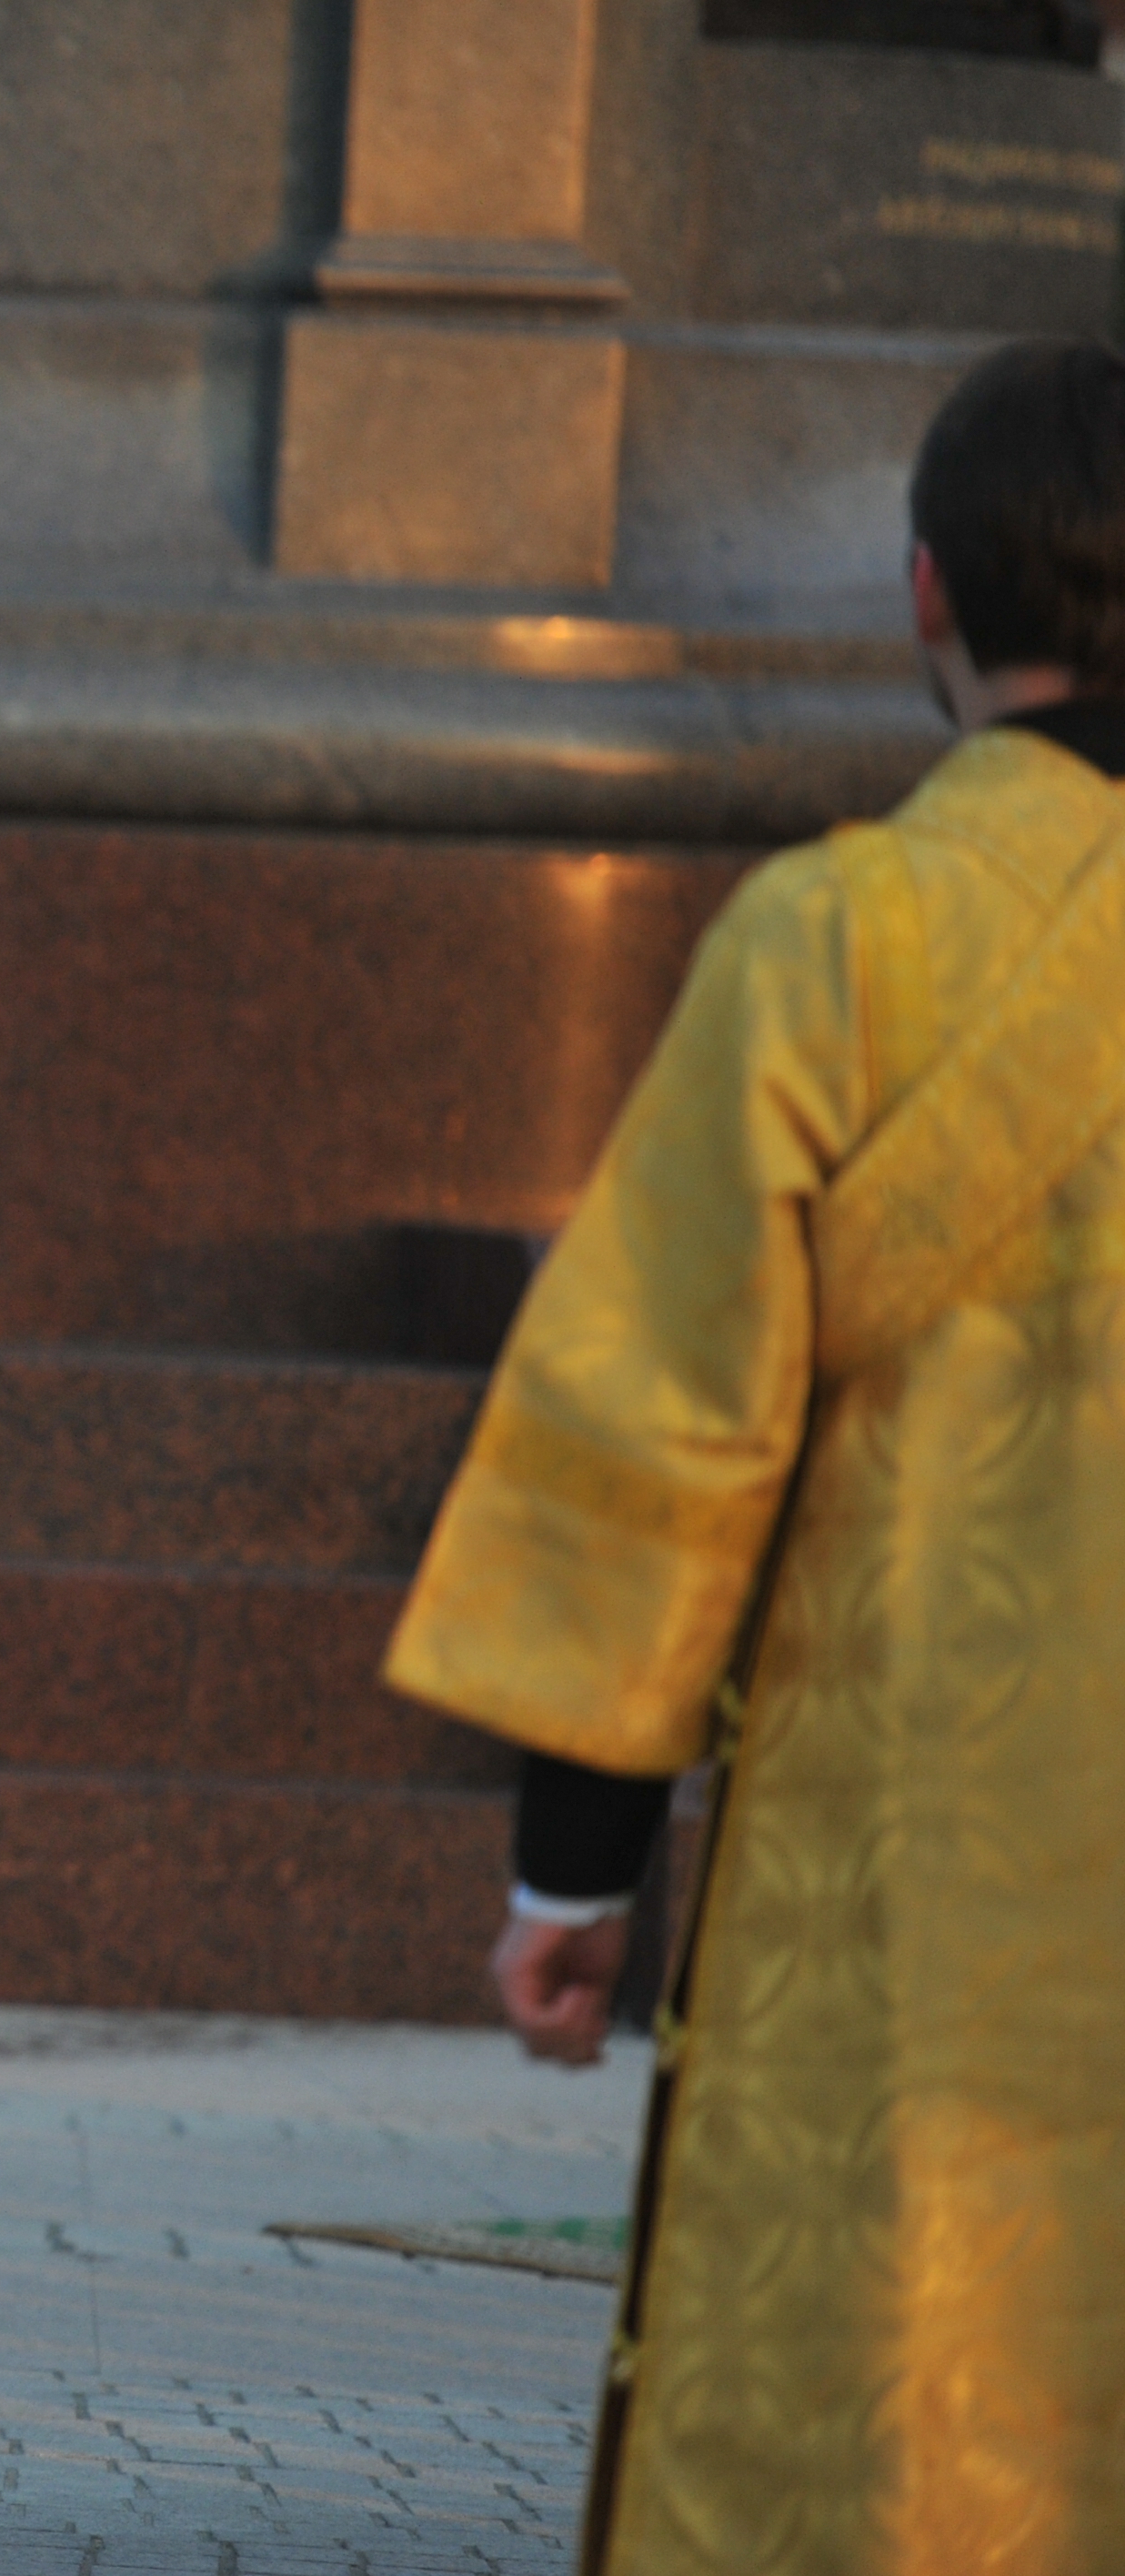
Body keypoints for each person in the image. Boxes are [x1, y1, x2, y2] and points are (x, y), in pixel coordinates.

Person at [387, 336, 1125, 2572]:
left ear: (924, 598)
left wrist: (577, 1867)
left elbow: (659, 1415)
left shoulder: (840, 939)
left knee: (889, 2417)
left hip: (899, 1849)